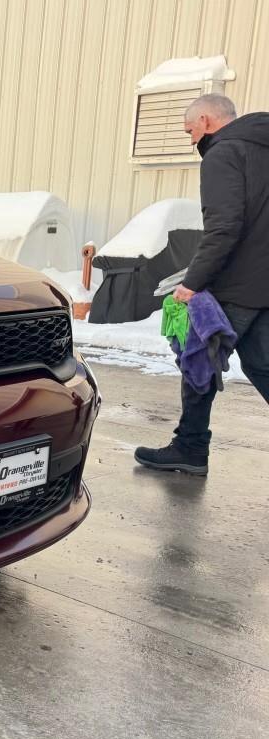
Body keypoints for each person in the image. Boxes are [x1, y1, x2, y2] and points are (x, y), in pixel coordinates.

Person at [135, 94, 269, 476]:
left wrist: (192, 283)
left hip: (236, 281)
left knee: (199, 358)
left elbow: (224, 227)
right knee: (262, 364)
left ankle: (190, 448)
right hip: (263, 282)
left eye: (189, 130)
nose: (191, 139)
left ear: (207, 121)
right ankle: (190, 446)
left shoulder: (223, 154)